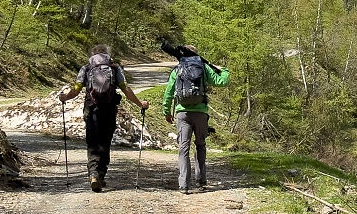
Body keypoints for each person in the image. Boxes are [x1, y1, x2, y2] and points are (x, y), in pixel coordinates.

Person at [58, 45, 148, 192]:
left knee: (93, 141)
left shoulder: (86, 68)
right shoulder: (115, 68)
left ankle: (93, 173)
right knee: (105, 142)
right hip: (109, 110)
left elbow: (76, 89)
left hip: (91, 109)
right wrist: (140, 104)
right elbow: (126, 89)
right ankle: (101, 174)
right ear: (107, 55)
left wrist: (65, 97)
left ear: (92, 55)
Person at [162, 46, 229, 194]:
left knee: (183, 149)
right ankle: (201, 181)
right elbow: (222, 81)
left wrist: (167, 111)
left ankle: (183, 185)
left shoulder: (178, 69)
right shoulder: (203, 67)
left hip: (182, 113)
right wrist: (224, 70)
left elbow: (169, 93)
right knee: (200, 145)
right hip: (200, 113)